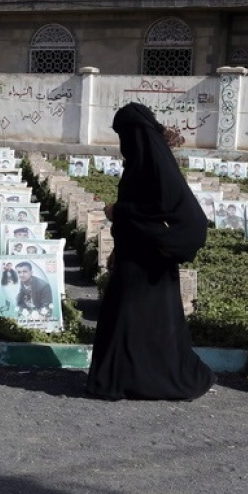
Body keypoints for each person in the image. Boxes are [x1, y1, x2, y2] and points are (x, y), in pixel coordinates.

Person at [85, 102, 215, 401]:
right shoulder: (144, 160)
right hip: (138, 258)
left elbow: (161, 210)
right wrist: (119, 245)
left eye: (123, 135)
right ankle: (127, 380)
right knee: (143, 321)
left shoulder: (153, 164)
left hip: (148, 262)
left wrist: (118, 210)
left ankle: (122, 381)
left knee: (130, 319)